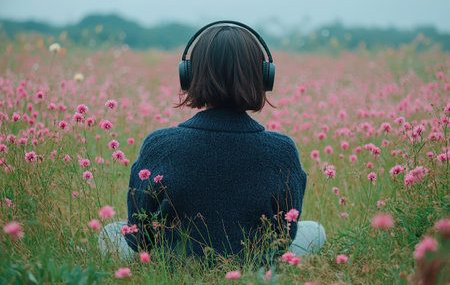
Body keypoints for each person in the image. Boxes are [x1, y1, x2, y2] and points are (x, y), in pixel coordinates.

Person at [98, 21, 325, 261]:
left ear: (188, 75)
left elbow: (138, 237)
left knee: (109, 232)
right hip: (255, 267)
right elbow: (285, 236)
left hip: (175, 264)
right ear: (264, 78)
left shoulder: (160, 144)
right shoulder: (282, 149)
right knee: (315, 231)